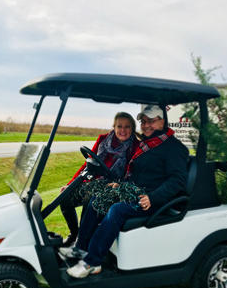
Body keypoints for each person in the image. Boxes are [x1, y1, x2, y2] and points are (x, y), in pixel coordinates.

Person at [61, 105, 189, 278]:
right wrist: (120, 186)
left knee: (117, 209)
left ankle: (93, 261)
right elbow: (138, 174)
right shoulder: (148, 143)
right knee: (97, 199)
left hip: (153, 198)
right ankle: (81, 249)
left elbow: (177, 180)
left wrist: (153, 197)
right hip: (135, 190)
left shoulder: (174, 148)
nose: (146, 125)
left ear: (162, 121)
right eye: (143, 121)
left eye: (151, 121)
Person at [60, 112, 139, 246]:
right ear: (114, 127)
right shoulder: (103, 139)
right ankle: (74, 234)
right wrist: (70, 184)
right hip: (95, 182)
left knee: (90, 198)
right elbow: (88, 164)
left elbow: (133, 172)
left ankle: (82, 240)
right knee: (65, 197)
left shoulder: (135, 146)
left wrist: (121, 184)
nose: (123, 130)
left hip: (115, 185)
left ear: (132, 129)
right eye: (119, 126)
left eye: (127, 127)